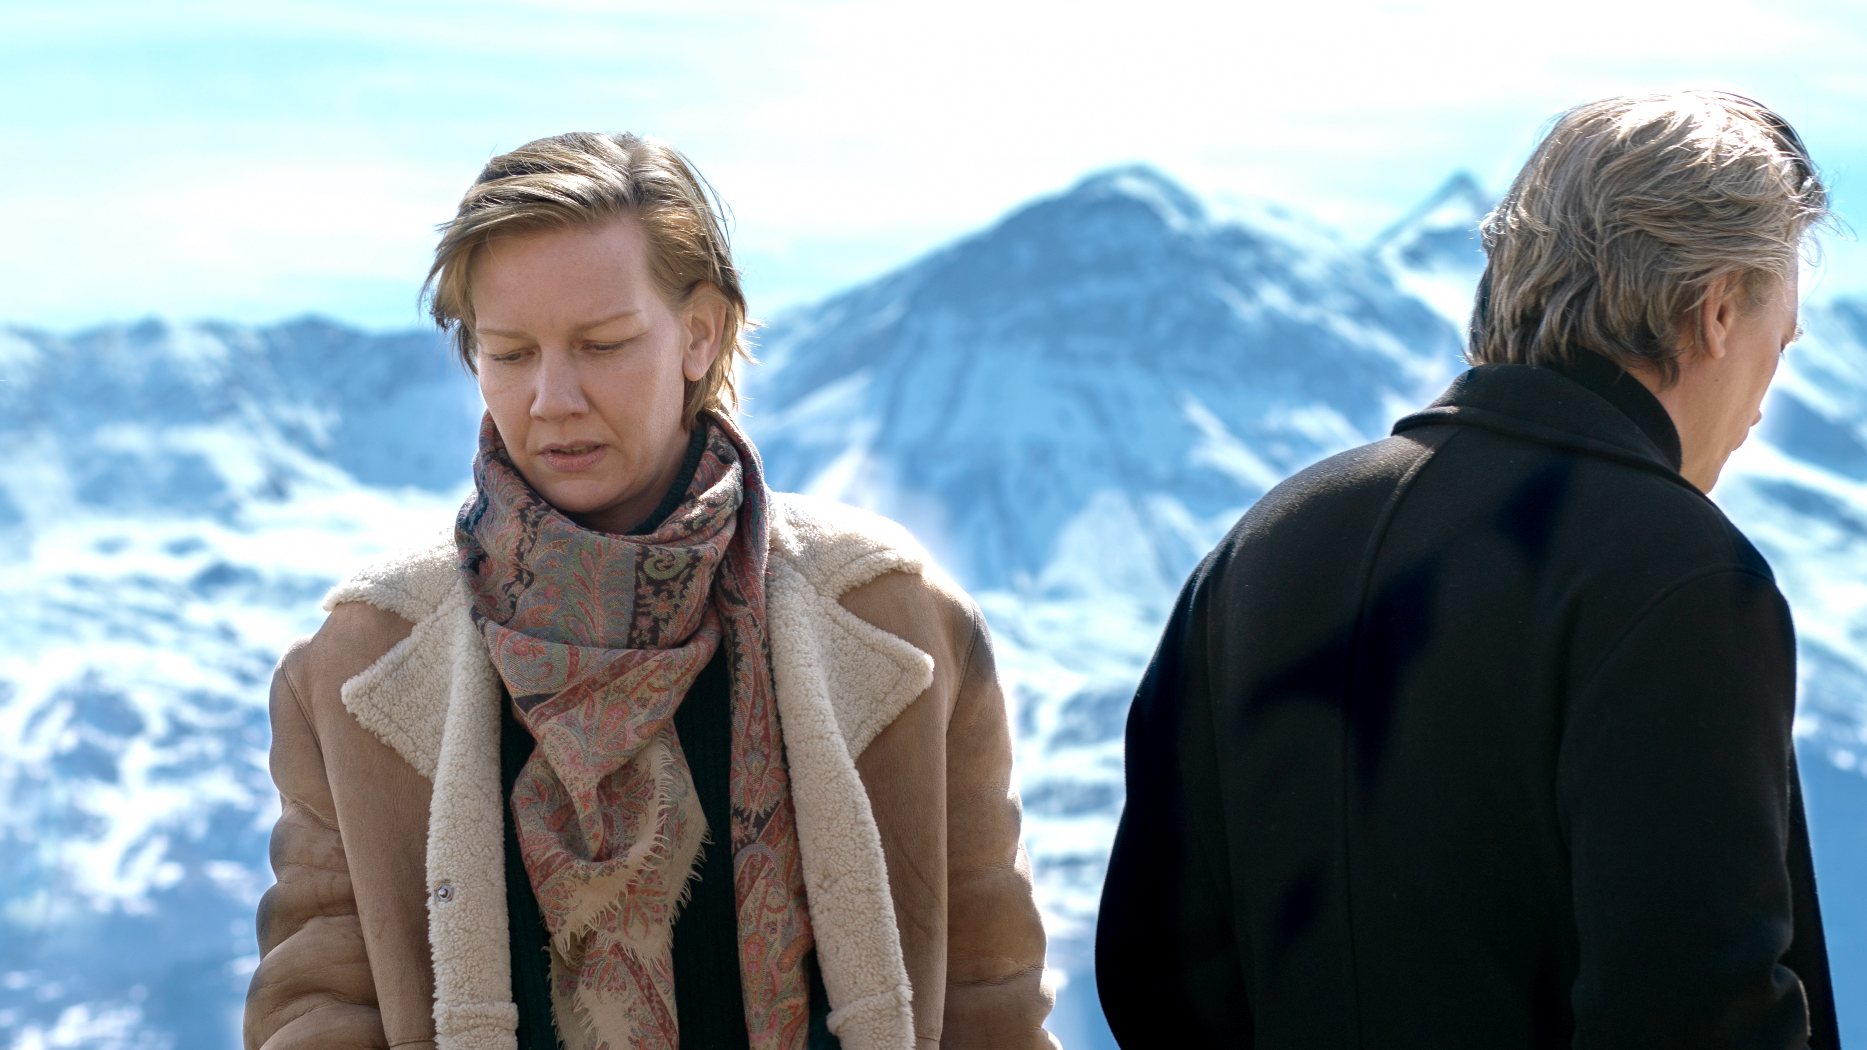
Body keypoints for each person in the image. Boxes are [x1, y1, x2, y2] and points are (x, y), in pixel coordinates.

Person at [243, 132, 1058, 1050]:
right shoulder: (358, 660)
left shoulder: (897, 616)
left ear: (700, 333)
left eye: (603, 345)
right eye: (509, 353)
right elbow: (319, 1008)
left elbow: (990, 998)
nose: (553, 397)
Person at [1096, 91, 1840, 1048]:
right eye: (1781, 342)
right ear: (1718, 309)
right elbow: (1694, 1010)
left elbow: (1153, 966)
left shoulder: (1262, 543)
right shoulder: (1682, 576)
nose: (1763, 406)